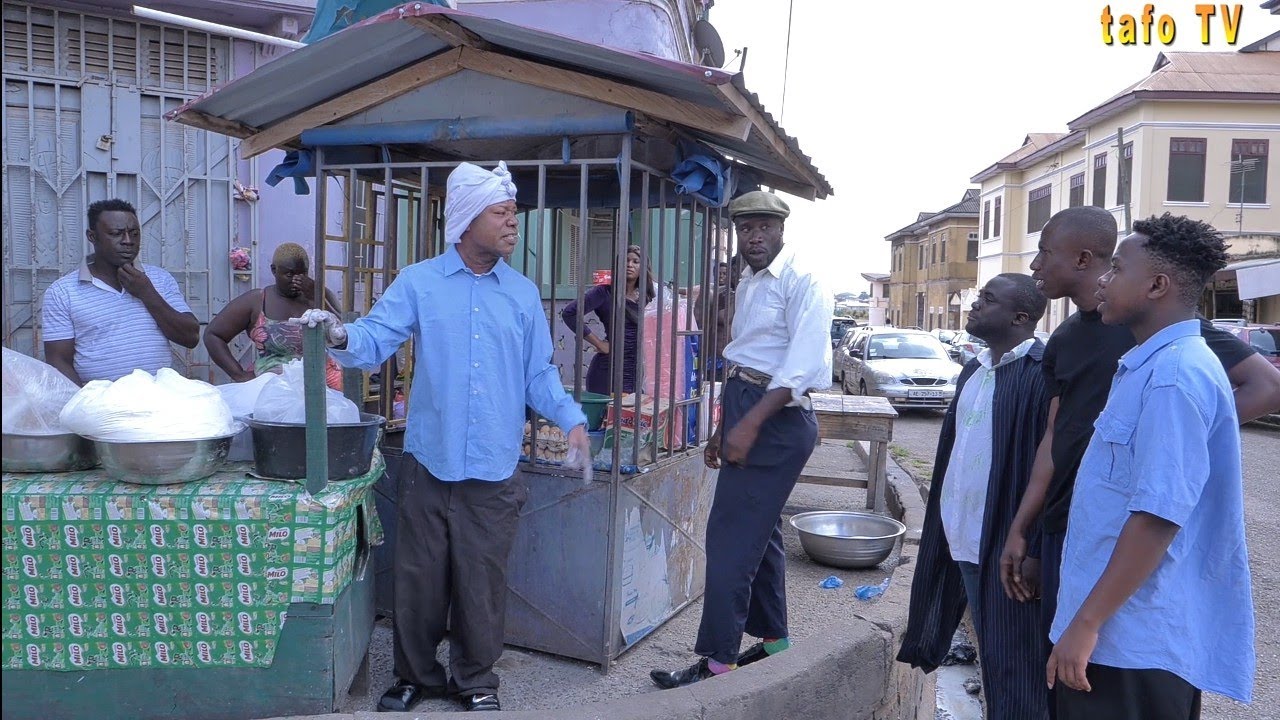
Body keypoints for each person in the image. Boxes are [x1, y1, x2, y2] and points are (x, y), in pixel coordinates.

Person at [294, 161, 589, 714]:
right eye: (502, 213)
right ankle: (416, 676)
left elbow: (540, 375)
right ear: (467, 219)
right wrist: (338, 333)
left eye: (512, 213)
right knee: (419, 580)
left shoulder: (522, 296)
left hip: (494, 469)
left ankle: (476, 681)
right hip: (430, 463)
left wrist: (570, 417)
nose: (512, 223)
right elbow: (375, 338)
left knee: (481, 583)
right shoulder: (420, 283)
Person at [999, 206, 1280, 715]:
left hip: (1130, 639)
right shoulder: (1146, 365)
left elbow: (1156, 517)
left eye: (1117, 269)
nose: (1103, 280)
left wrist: (1086, 624)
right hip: (1115, 627)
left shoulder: (1175, 377)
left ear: (1156, 286)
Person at [650, 190, 833, 688]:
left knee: (730, 538)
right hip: (745, 406)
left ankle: (717, 660)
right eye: (745, 228)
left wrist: (749, 425)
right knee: (763, 533)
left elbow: (805, 367)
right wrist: (722, 425)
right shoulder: (751, 281)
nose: (754, 237)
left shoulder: (802, 281)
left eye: (763, 228)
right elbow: (746, 361)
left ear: (781, 229)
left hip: (775, 418)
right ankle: (773, 642)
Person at [897, 273, 1052, 718]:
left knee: (1017, 662)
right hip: (962, 537)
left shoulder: (1040, 374)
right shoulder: (973, 369)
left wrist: (1034, 546)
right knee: (991, 652)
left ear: (1020, 317)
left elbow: (1051, 470)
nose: (975, 304)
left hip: (1008, 546)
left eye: (987, 299)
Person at [42, 198, 199, 385]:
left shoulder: (160, 279)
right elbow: (58, 361)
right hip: (101, 405)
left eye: (134, 234)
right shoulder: (62, 292)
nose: (128, 241)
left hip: (159, 399)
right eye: (116, 234)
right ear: (92, 237)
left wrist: (147, 293)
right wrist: (85, 402)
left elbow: (190, 337)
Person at [204, 242, 344, 389]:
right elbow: (213, 335)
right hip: (272, 387)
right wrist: (239, 374)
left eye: (302, 274)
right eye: (289, 274)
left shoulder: (319, 294)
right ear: (274, 270)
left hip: (322, 386)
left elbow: (345, 333)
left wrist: (316, 297)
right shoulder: (256, 301)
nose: (297, 280)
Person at [559, 244, 655, 395]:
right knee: (606, 417)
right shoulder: (604, 292)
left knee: (632, 416)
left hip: (637, 371)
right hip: (608, 371)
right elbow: (570, 313)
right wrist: (599, 344)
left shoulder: (650, 297)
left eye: (635, 261)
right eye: (626, 261)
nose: (629, 265)